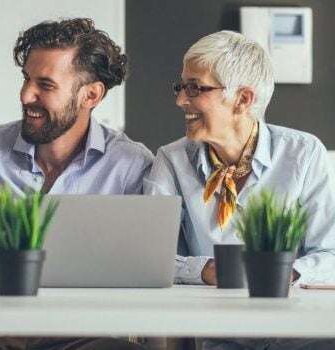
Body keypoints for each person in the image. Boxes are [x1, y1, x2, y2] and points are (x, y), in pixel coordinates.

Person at [0, 18, 152, 350]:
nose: (26, 95)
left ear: (91, 94)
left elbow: (146, 266)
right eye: (26, 79)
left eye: (45, 85)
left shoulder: (130, 165)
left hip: (85, 338)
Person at [144, 30, 335, 349]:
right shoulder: (172, 160)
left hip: (305, 338)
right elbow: (150, 259)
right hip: (225, 341)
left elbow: (330, 254)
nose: (180, 100)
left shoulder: (303, 153)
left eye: (195, 88)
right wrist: (208, 270)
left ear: (242, 100)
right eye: (181, 87)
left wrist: (282, 273)